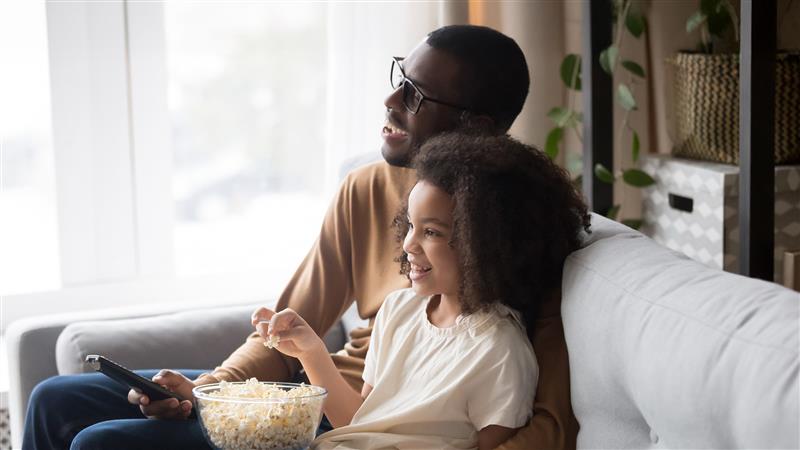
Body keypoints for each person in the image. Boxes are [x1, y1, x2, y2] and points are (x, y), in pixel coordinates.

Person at [23, 24, 580, 449]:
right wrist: (212, 389)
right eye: (398, 78)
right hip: (325, 399)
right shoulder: (367, 189)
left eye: (414, 95)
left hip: (356, 428)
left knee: (96, 442)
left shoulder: (515, 228)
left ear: (475, 127)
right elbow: (289, 324)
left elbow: (548, 424)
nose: (390, 102)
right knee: (53, 399)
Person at [251, 132, 590, 450]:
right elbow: (360, 423)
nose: (409, 243)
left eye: (431, 232)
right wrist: (311, 352)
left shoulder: (499, 350)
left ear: (487, 246)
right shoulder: (399, 309)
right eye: (411, 225)